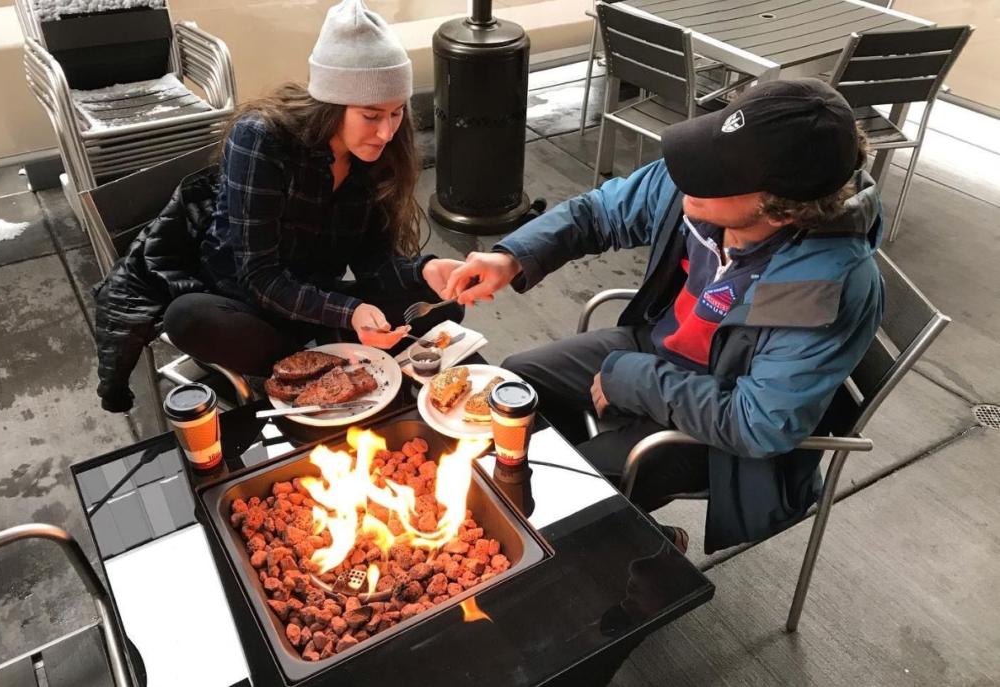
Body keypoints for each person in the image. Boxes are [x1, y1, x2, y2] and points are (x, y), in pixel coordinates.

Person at [443, 79, 885, 555]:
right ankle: (617, 533)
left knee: (568, 489)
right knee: (517, 389)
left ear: (778, 211)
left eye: (717, 173)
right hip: (657, 349)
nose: (689, 176)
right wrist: (513, 257)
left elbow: (759, 424)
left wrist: (635, 380)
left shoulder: (825, 288)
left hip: (722, 433)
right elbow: (599, 213)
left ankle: (605, 544)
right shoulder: (706, 189)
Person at [163, 0, 462, 376]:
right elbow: (259, 277)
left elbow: (372, 258)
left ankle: (317, 366)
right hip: (248, 304)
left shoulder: (378, 153)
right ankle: (322, 367)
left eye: (396, 111)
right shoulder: (261, 139)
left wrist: (426, 271)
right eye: (370, 115)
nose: (386, 132)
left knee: (445, 301)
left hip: (321, 300)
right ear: (331, 104)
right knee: (188, 317)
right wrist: (349, 312)